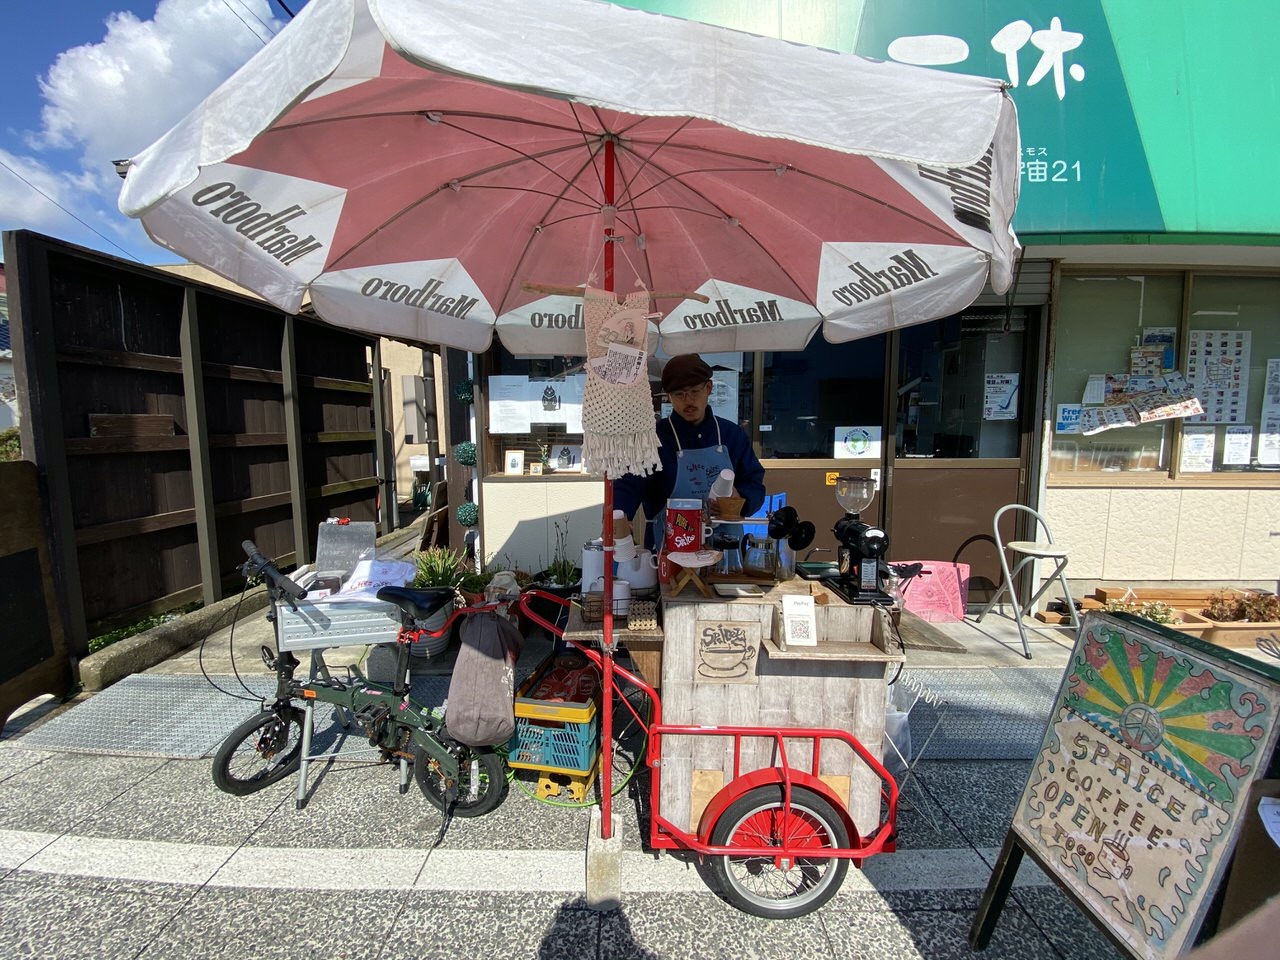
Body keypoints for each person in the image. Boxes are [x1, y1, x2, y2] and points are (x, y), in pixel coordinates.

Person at [613, 353, 766, 551]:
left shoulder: (732, 435)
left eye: (694, 391)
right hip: (667, 548)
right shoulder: (651, 439)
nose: (688, 401)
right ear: (668, 395)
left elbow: (754, 483)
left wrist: (741, 498)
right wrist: (619, 515)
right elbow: (627, 485)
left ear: (708, 388)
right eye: (679, 395)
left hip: (725, 549)